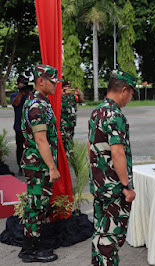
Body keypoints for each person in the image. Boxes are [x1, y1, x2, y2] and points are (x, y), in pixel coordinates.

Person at [88, 70, 137, 265]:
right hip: (113, 188)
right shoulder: (115, 115)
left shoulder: (97, 111)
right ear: (124, 90)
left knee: (101, 231)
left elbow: (92, 148)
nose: (131, 98)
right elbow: (117, 152)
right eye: (131, 93)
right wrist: (126, 186)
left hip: (100, 184)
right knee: (111, 236)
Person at [19, 64, 62, 263]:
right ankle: (29, 251)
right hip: (37, 165)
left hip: (38, 163)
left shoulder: (40, 102)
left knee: (40, 204)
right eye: (53, 82)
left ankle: (35, 244)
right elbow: (41, 140)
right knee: (36, 206)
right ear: (41, 81)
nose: (56, 86)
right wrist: (52, 167)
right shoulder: (36, 105)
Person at [10, 75, 31, 175]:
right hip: (19, 126)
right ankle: (20, 166)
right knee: (20, 148)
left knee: (31, 146)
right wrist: (20, 92)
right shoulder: (14, 95)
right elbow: (15, 104)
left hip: (30, 126)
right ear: (17, 84)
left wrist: (27, 93)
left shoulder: (30, 95)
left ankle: (31, 164)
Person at [60, 80, 84, 153]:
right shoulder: (60, 97)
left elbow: (81, 101)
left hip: (71, 122)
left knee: (70, 137)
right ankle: (68, 154)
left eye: (68, 87)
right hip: (63, 122)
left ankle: (69, 154)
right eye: (65, 87)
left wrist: (79, 94)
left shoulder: (72, 96)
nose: (67, 88)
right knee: (64, 139)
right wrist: (62, 93)